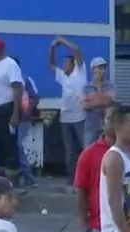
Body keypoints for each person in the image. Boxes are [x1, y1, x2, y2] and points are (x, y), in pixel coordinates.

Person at [75, 105, 120, 232]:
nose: (114, 123)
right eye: (109, 118)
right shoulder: (89, 154)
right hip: (99, 228)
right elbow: (81, 191)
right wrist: (84, 222)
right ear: (102, 123)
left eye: (118, 119)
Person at [48, 36, 86, 182]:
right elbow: (51, 65)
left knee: (84, 147)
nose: (63, 64)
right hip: (65, 117)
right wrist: (52, 48)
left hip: (80, 117)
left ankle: (86, 175)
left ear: (73, 63)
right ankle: (72, 177)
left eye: (65, 62)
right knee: (69, 150)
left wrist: (61, 40)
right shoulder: (62, 76)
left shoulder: (79, 71)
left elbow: (76, 49)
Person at [0, 39, 24, 186]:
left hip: (6, 109)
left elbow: (18, 88)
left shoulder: (10, 64)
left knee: (8, 145)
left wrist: (15, 113)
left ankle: (13, 183)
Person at [11, 56, 39, 188]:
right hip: (8, 119)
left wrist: (27, 112)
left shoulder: (26, 80)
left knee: (17, 146)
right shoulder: (6, 81)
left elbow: (35, 97)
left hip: (23, 120)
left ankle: (28, 177)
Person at [81, 57, 116, 144]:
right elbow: (85, 106)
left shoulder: (110, 86)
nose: (102, 71)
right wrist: (99, 102)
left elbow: (108, 102)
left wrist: (98, 86)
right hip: (91, 127)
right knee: (89, 151)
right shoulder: (86, 88)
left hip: (107, 127)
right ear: (93, 70)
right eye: (100, 68)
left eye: (104, 68)